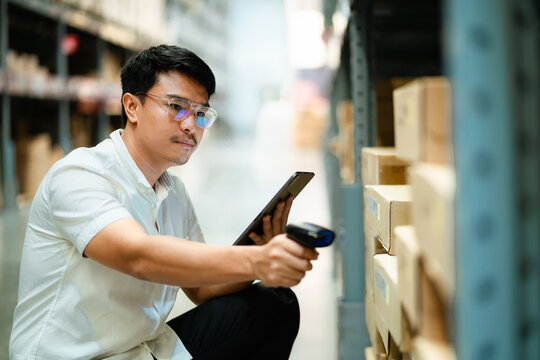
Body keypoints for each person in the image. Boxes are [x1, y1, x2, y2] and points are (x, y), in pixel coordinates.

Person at [9, 44, 318, 360]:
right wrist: (257, 261)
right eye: (177, 107)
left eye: (201, 114)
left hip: (144, 350)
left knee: (275, 304)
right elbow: (137, 256)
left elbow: (200, 290)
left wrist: (259, 255)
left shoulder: (174, 193)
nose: (190, 125)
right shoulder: (80, 175)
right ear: (132, 107)